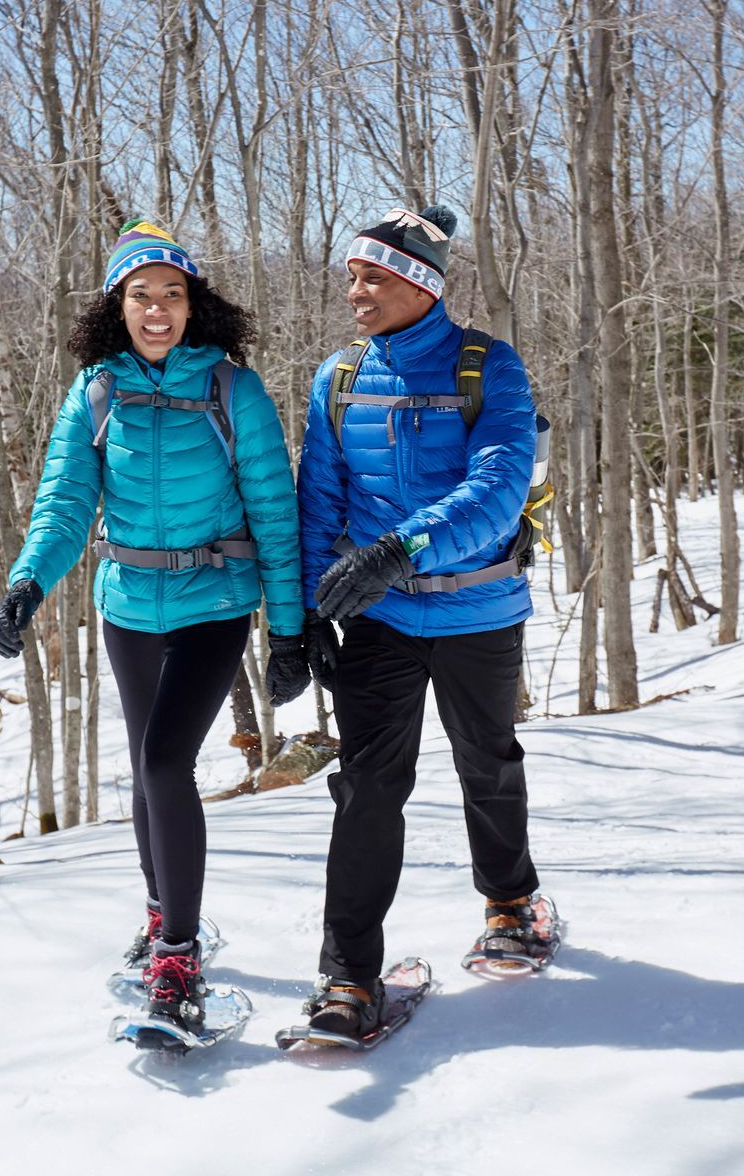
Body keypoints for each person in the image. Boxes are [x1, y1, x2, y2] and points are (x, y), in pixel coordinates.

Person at [0, 219, 311, 1034]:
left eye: (172, 294)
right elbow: (65, 501)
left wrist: (289, 629)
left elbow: (275, 512)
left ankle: (179, 953)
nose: (158, 309)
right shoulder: (97, 390)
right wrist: (28, 583)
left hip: (214, 603)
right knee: (143, 770)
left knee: (167, 761)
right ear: (117, 306)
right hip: (128, 604)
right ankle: (163, 912)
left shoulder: (233, 391)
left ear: (194, 303)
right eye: (142, 296)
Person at [296, 203, 543, 1037]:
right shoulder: (336, 378)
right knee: (367, 787)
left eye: (371, 278)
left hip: (479, 605)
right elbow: (317, 505)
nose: (355, 292)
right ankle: (349, 980)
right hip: (380, 619)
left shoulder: (490, 368)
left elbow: (500, 488)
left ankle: (511, 902)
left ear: (419, 285)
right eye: (352, 277)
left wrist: (399, 549)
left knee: (487, 760)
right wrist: (301, 620)